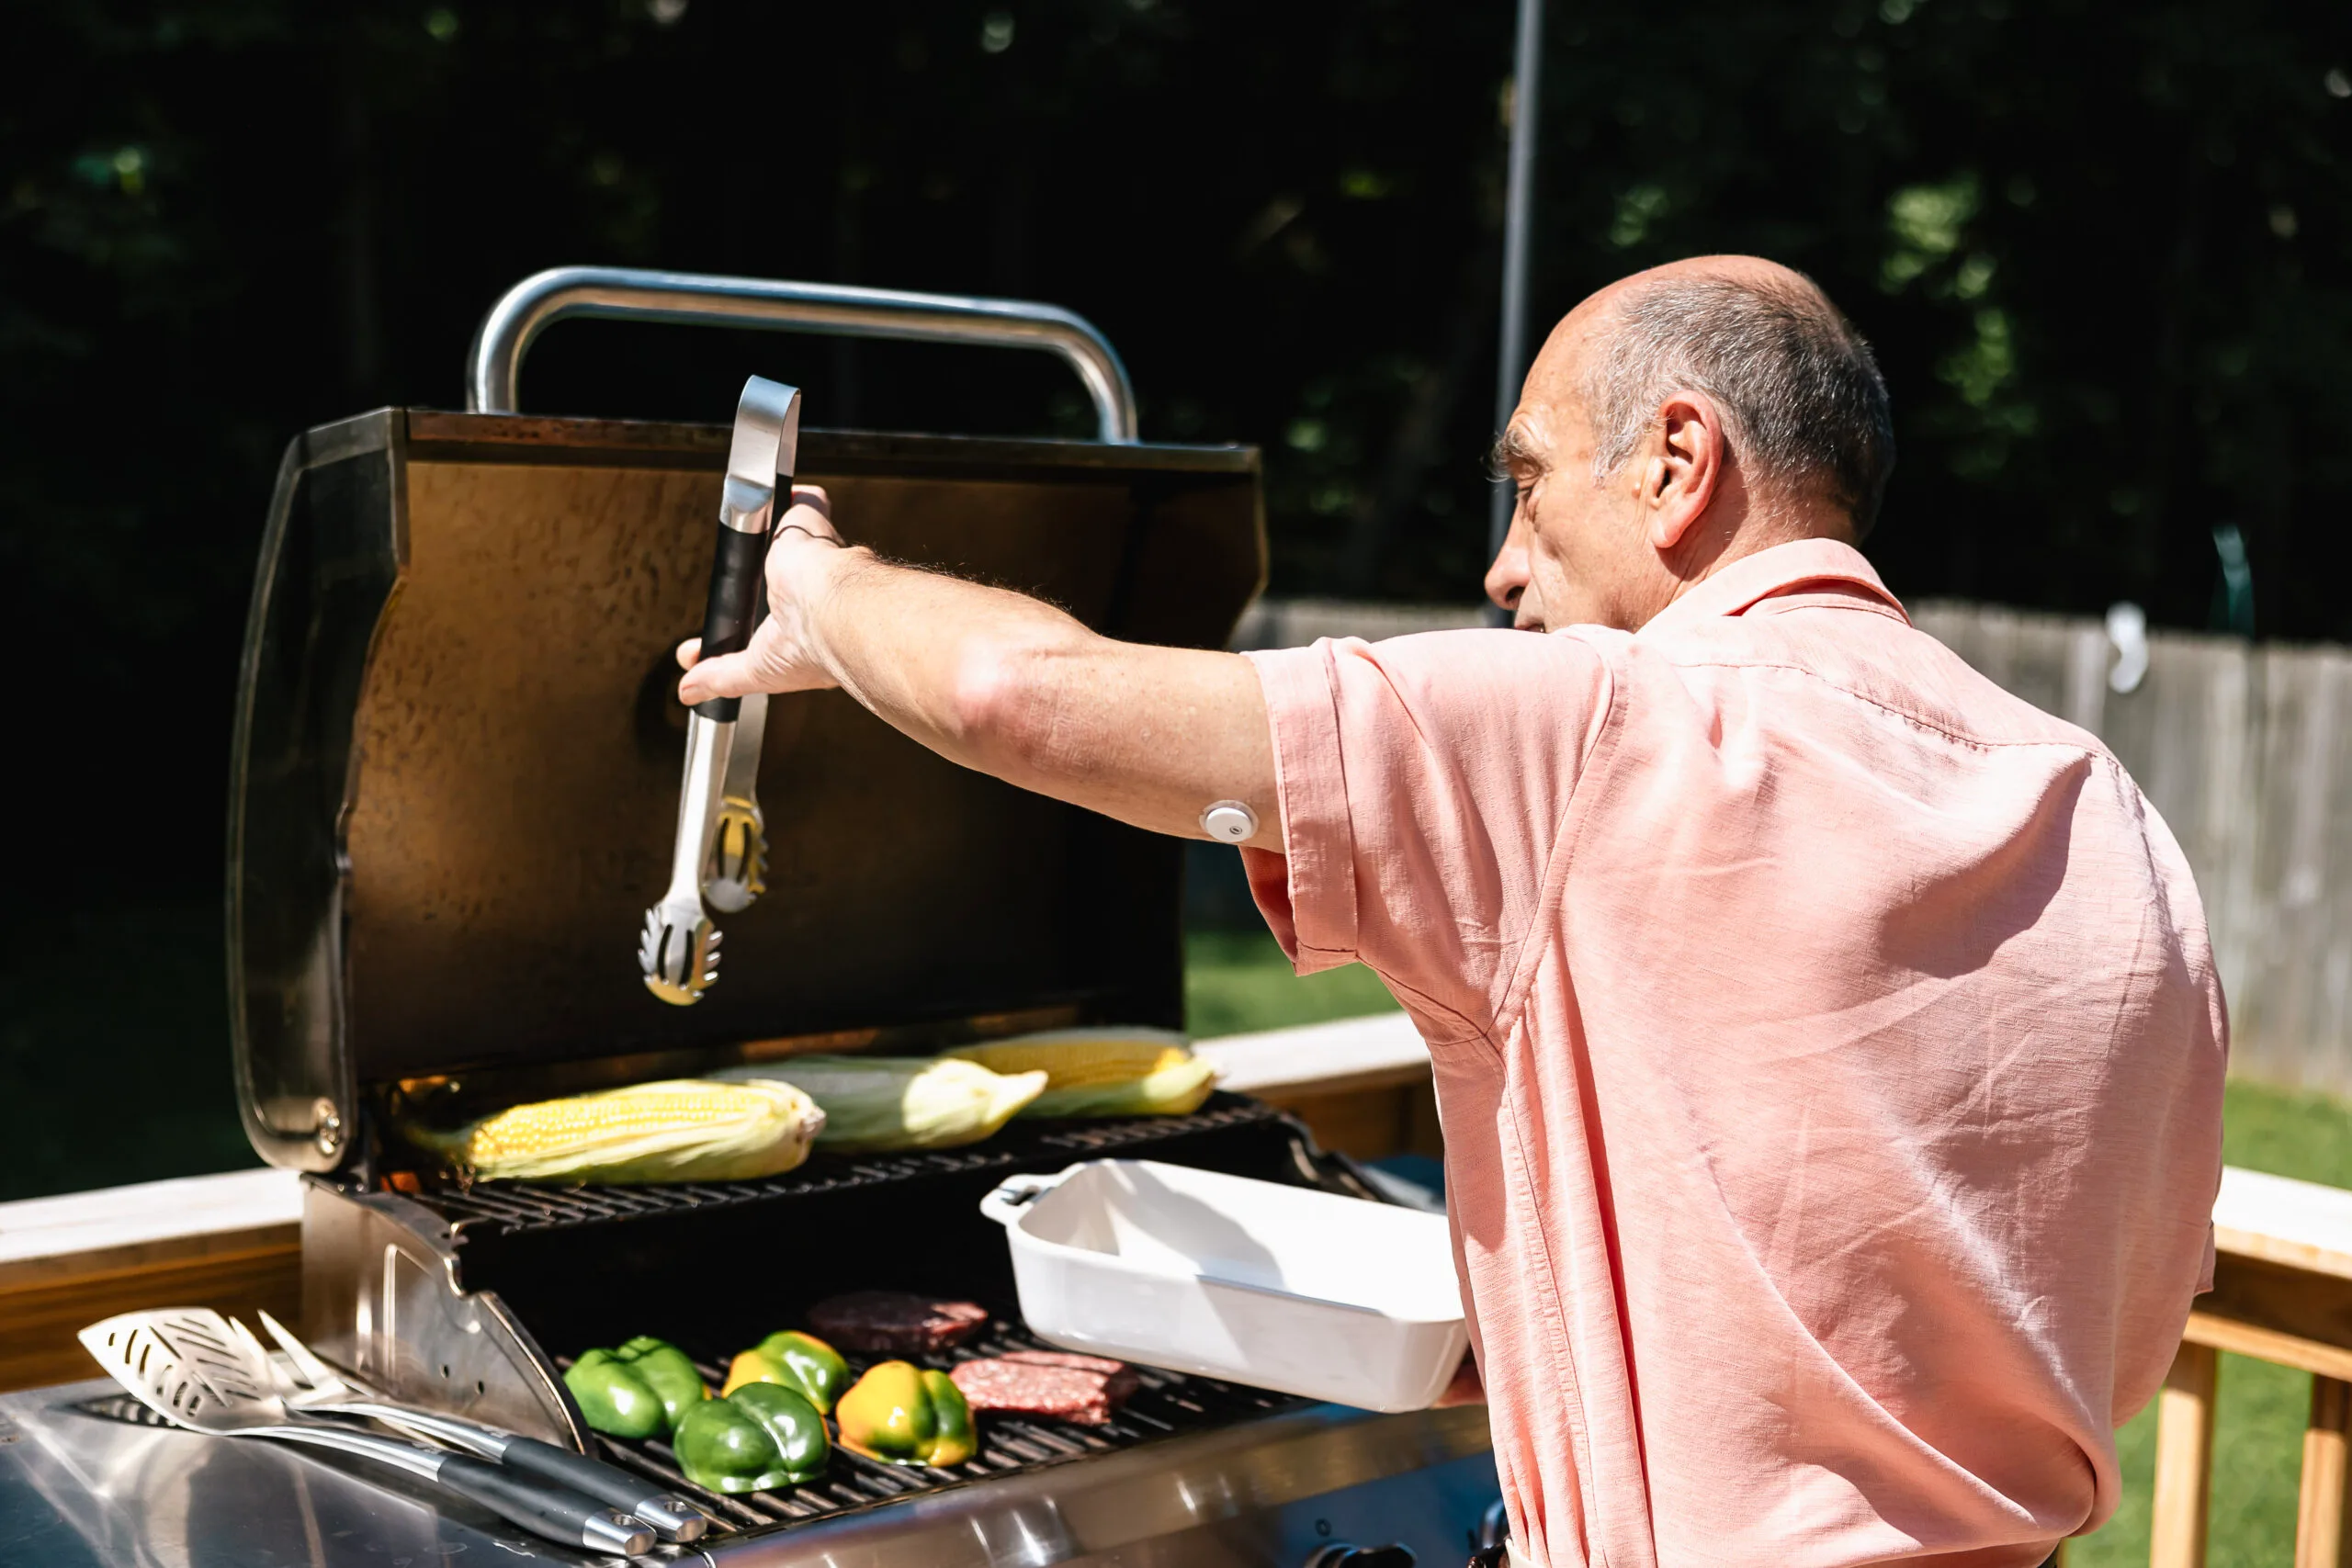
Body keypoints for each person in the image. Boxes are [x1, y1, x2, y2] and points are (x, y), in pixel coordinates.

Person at [678, 256, 2226, 1567]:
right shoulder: (2108, 817)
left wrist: (816, 580)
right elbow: (2110, 1321)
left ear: (1678, 464)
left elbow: (1012, 688)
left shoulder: (1595, 733)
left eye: (1532, 482)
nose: (1500, 567)